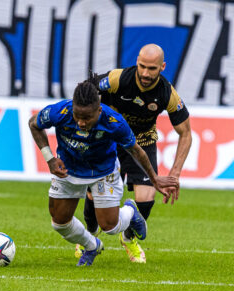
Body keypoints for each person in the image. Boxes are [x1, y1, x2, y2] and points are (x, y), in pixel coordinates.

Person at [28, 80, 179, 266]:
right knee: (59, 223)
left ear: (99, 111)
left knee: (110, 227)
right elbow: (34, 123)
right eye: (77, 116)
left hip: (103, 172)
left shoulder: (114, 122)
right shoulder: (60, 111)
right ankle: (92, 246)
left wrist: (154, 179)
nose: (81, 123)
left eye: (87, 118)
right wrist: (50, 158)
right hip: (68, 169)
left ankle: (131, 212)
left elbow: (136, 150)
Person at [79, 43, 192, 264]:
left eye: (152, 69)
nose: (145, 73)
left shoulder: (168, 94)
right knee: (95, 196)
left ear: (162, 67)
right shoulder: (117, 79)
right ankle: (88, 236)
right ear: (137, 62)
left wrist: (175, 174)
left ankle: (128, 237)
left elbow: (186, 133)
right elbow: (85, 92)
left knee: (146, 198)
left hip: (142, 141)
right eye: (142, 66)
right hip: (110, 139)